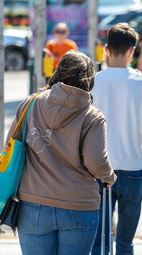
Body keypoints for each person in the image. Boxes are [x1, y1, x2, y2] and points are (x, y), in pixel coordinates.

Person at [9, 51, 116, 255]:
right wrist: (109, 176)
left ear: (58, 72)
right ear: (89, 80)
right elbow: (96, 162)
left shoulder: (30, 104)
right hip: (78, 204)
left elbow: (11, 146)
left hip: (33, 203)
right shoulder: (92, 116)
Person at [90, 23, 142, 255]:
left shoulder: (92, 82)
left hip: (99, 169)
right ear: (133, 50)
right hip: (133, 167)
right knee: (125, 242)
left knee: (99, 242)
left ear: (106, 49)